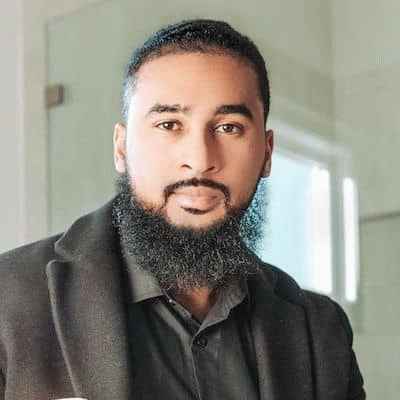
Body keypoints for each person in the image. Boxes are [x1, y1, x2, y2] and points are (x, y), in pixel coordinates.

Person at [0, 19, 365, 400]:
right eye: (169, 124)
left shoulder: (321, 330)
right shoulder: (8, 299)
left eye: (228, 127)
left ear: (267, 153)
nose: (200, 160)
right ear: (122, 148)